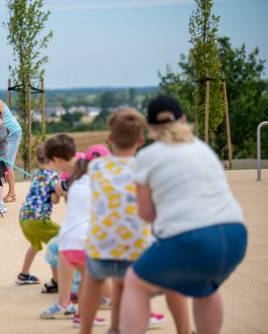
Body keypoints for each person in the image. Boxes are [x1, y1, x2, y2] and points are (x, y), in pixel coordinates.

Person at [120, 96, 247, 334]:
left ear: (150, 128)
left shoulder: (147, 156)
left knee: (136, 283)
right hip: (235, 234)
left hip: (189, 237)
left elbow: (146, 213)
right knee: (206, 287)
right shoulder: (203, 149)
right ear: (184, 120)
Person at [79, 108, 166, 334]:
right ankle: (120, 327)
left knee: (93, 280)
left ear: (109, 138)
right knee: (128, 284)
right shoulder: (145, 168)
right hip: (135, 250)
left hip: (101, 246)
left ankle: (85, 329)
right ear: (141, 139)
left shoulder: (96, 166)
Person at [41, 143, 111, 329]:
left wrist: (59, 189)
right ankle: (81, 312)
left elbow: (60, 187)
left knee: (92, 281)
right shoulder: (95, 182)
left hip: (70, 241)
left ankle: (73, 310)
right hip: (81, 241)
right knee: (101, 284)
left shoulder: (78, 180)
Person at [16, 143, 61, 286]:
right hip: (38, 219)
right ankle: (57, 281)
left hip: (24, 217)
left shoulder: (36, 173)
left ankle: (23, 275)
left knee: (35, 245)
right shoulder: (54, 176)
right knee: (60, 241)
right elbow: (54, 199)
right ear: (54, 159)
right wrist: (60, 192)